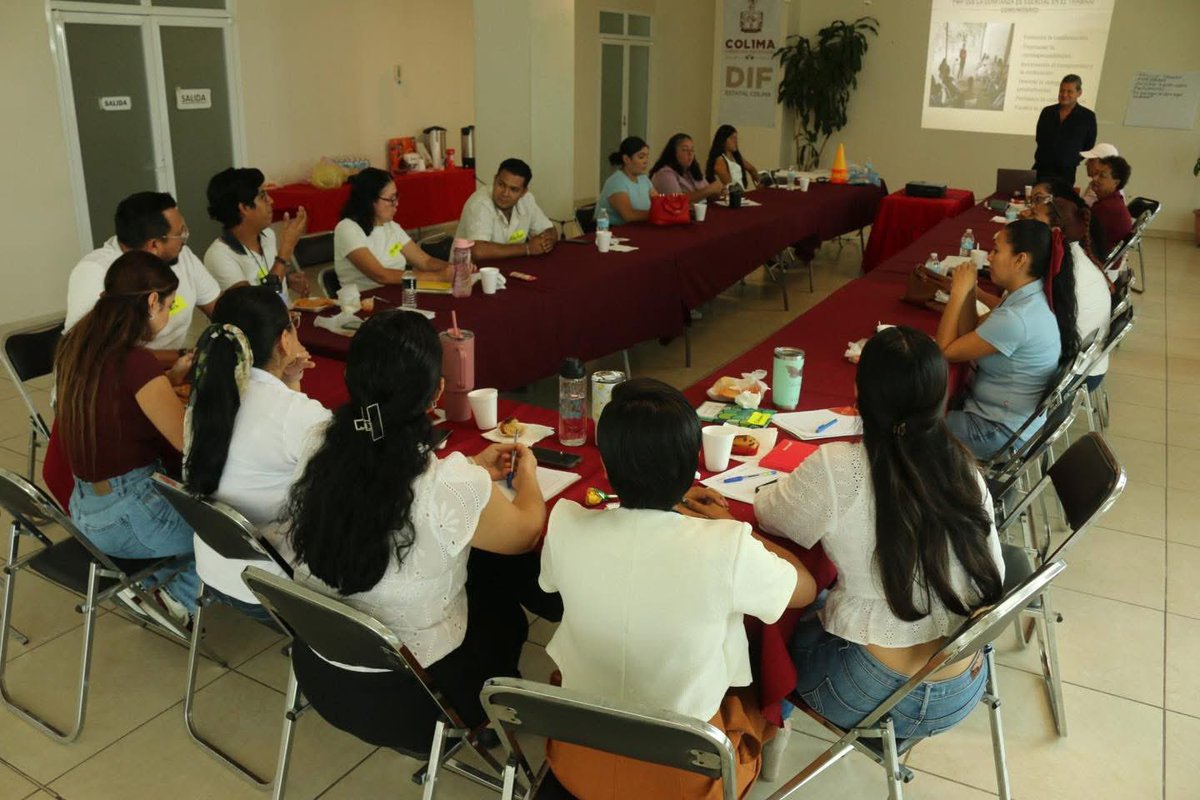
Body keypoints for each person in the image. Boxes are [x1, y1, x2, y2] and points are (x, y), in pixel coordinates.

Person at [281, 311, 547, 752]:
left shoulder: (319, 442)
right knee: (501, 597)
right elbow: (525, 533)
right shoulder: (443, 484)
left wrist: (475, 468)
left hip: (320, 670)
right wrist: (530, 475)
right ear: (437, 393)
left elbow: (380, 474)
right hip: (415, 703)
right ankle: (485, 722)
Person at [540, 378, 816, 799]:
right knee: (753, 679)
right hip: (685, 779)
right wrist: (734, 529)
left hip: (577, 762)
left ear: (608, 467)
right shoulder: (727, 546)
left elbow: (555, 581)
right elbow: (806, 589)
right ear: (692, 468)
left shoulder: (565, 524)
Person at [755, 326, 1004, 739]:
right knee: (830, 598)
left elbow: (772, 515)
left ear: (860, 393)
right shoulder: (963, 467)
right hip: (964, 685)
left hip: (870, 690)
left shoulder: (839, 466)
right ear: (941, 397)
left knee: (771, 640)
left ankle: (767, 740)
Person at [56, 251, 200, 624]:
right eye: (169, 305)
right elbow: (188, 442)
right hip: (129, 515)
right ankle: (175, 596)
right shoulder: (136, 362)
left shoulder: (78, 346)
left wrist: (165, 383)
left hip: (84, 507)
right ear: (152, 302)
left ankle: (149, 582)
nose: (169, 315)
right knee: (233, 534)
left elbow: (115, 402)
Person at [182, 285, 327, 619]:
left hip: (214, 571)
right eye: (293, 324)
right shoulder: (295, 414)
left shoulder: (202, 401)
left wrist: (291, 379)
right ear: (284, 339)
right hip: (272, 586)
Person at [937, 218, 1080, 459]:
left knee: (913, 424)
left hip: (997, 432)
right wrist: (970, 291)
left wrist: (958, 294)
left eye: (996, 251)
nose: (989, 257)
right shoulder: (1028, 295)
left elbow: (945, 350)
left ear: (1020, 259)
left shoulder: (1018, 318)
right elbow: (970, 330)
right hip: (1008, 421)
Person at [65, 191, 220, 363]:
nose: (184, 240)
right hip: (116, 379)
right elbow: (95, 354)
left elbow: (218, 308)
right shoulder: (95, 271)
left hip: (169, 370)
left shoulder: (181, 256)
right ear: (154, 245)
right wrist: (186, 356)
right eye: (180, 234)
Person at [333, 167, 452, 292]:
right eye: (391, 199)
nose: (396, 204)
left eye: (396, 197)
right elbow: (381, 275)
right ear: (370, 201)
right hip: (364, 302)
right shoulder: (348, 229)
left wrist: (453, 269)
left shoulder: (391, 227)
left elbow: (426, 262)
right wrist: (435, 277)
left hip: (398, 295)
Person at [202, 167, 310, 296]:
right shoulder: (219, 255)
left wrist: (287, 281)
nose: (271, 200)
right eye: (263, 196)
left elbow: (263, 280)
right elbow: (253, 308)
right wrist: (285, 252)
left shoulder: (268, 236)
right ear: (244, 208)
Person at [454, 158, 558, 260]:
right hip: (471, 272)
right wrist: (527, 248)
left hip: (511, 266)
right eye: (501, 185)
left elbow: (550, 230)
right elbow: (478, 251)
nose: (505, 193)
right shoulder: (480, 203)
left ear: (523, 192)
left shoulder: (527, 199)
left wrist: (548, 241)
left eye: (513, 189)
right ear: (495, 180)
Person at [1032, 74, 1097, 184]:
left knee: (1062, 201)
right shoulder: (1047, 112)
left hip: (1066, 172)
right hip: (1042, 169)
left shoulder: (1087, 116)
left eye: (1069, 91)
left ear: (1079, 93)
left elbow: (1088, 145)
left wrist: (1071, 159)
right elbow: (1039, 138)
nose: (1064, 95)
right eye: (1062, 91)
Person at [596, 136, 658, 226]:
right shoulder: (616, 181)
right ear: (626, 159)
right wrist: (658, 215)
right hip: (612, 233)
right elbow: (629, 215)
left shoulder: (644, 179)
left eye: (647, 157)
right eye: (641, 157)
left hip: (638, 228)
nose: (646, 161)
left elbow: (659, 202)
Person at [650, 133, 724, 202]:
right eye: (685, 150)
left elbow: (707, 195)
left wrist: (718, 192)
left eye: (692, 150)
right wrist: (710, 189)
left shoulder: (692, 170)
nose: (690, 154)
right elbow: (677, 201)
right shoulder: (664, 174)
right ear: (673, 152)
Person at [1089, 155, 1134, 257]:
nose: (1094, 178)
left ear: (1116, 182)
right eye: (1096, 173)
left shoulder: (1107, 208)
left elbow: (1082, 234)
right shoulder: (1114, 200)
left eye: (1102, 176)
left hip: (1100, 262)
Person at [705, 125, 760, 190]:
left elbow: (751, 169)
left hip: (741, 193)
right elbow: (729, 184)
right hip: (733, 195)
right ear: (723, 140)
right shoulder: (720, 161)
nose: (735, 141)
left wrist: (759, 183)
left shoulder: (736, 157)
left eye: (736, 138)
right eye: (732, 138)